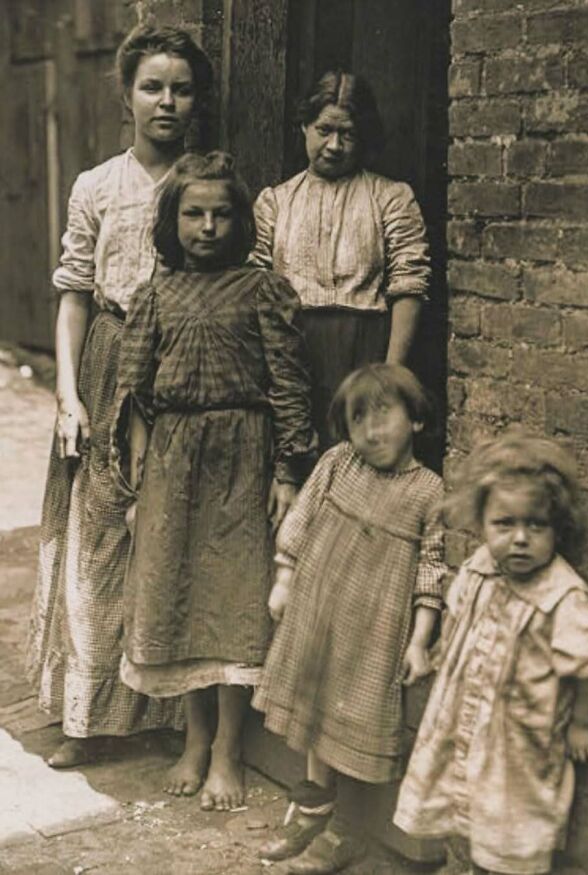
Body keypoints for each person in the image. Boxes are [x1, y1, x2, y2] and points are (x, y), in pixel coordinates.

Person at [26, 25, 214, 768]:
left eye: (182, 89)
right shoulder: (97, 185)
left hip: (184, 367)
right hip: (108, 365)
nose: (167, 102)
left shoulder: (207, 185)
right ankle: (87, 717)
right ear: (127, 94)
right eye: (152, 87)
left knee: (168, 538)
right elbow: (75, 295)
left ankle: (163, 713)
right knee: (97, 539)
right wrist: (68, 396)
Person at [111, 151, 316, 811]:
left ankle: (229, 746)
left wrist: (287, 470)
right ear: (172, 221)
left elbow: (288, 385)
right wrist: (140, 468)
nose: (207, 227)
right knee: (178, 594)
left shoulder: (262, 290)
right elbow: (135, 389)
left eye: (221, 214)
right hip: (174, 458)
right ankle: (194, 737)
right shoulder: (155, 294)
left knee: (234, 599)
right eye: (193, 214)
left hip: (242, 455)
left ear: (240, 221)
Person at [393, 433, 588, 875]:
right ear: (481, 523)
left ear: (557, 528)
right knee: (471, 806)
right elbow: (459, 616)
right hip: (469, 718)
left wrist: (582, 723)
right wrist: (439, 653)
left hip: (518, 738)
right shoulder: (479, 567)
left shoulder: (562, 594)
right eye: (504, 524)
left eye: (536, 526)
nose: (519, 539)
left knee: (510, 826)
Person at [253, 363, 448, 874]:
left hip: (375, 630)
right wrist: (284, 579)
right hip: (318, 611)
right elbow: (300, 521)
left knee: (354, 721)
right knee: (314, 708)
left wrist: (419, 640)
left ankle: (345, 830)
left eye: (383, 415)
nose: (370, 431)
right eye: (358, 419)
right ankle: (312, 810)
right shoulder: (339, 462)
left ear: (416, 420)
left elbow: (431, 572)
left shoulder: (429, 491)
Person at [249, 71, 430, 449]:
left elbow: (409, 283)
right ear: (304, 126)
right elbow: (254, 287)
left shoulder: (391, 198)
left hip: (365, 350)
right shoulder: (274, 203)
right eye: (324, 130)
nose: (334, 145)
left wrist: (390, 374)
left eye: (347, 134)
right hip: (292, 353)